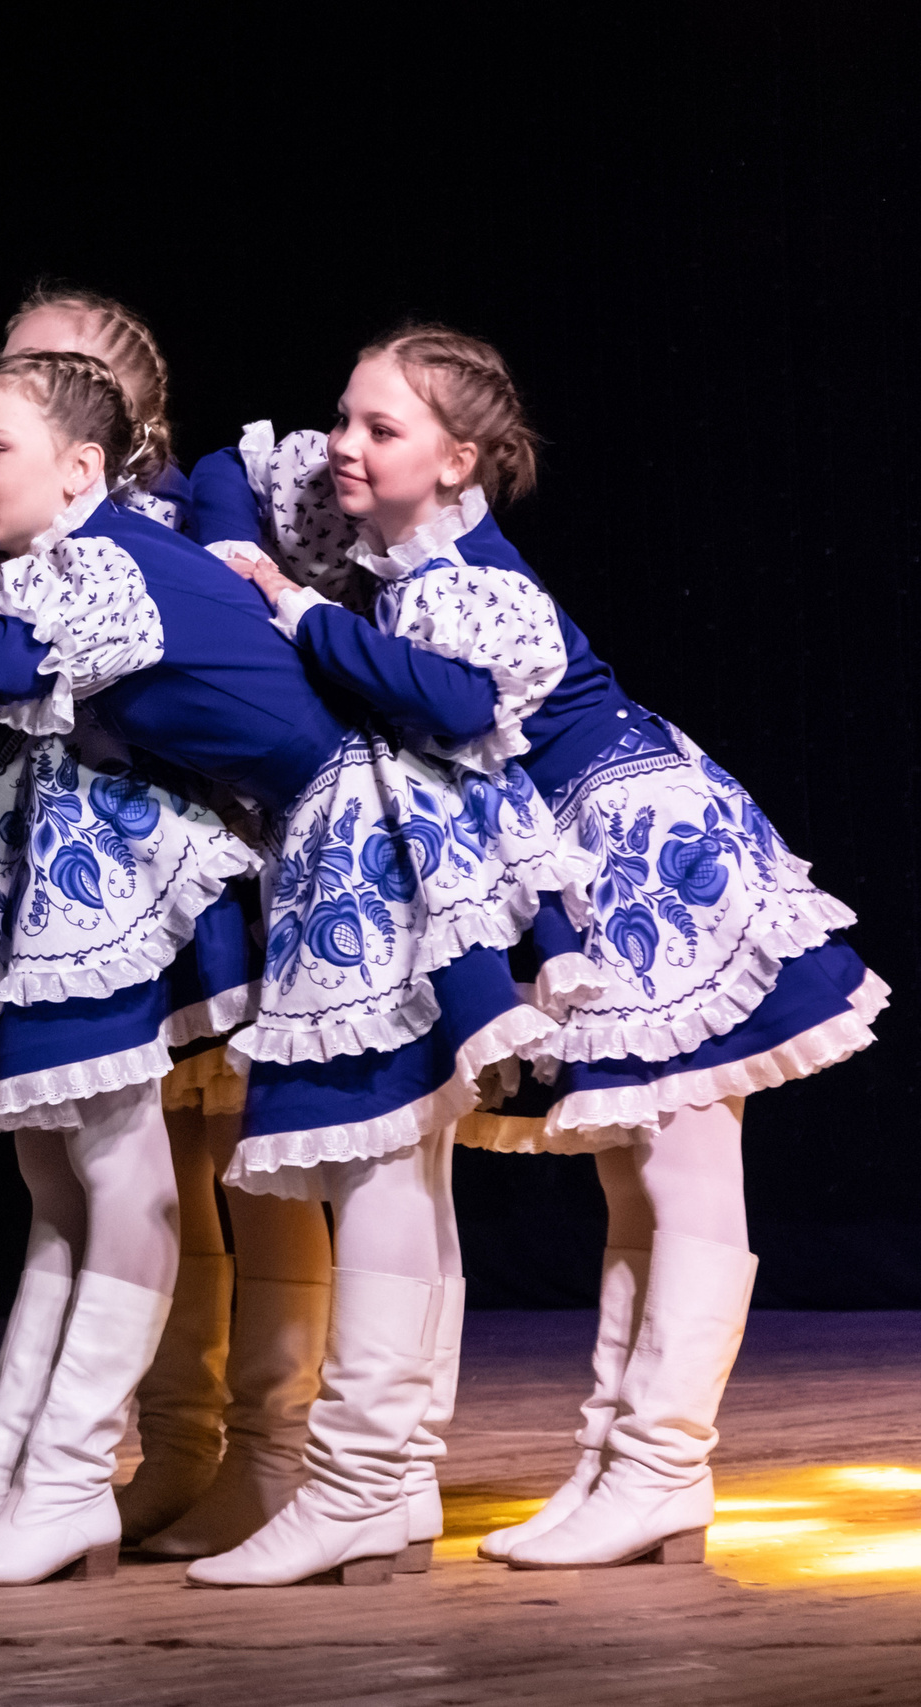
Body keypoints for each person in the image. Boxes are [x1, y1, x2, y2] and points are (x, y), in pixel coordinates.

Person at [0, 349, 552, 1588]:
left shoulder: (108, 558)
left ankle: (354, 1488)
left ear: (84, 467)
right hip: (337, 823)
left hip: (363, 827)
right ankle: (291, 1489)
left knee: (379, 1163)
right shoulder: (77, 563)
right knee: (385, 1169)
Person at [200, 325, 888, 1573]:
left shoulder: (472, 579)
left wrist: (293, 606)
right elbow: (237, 470)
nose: (345, 447)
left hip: (644, 849)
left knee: (679, 1165)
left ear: (460, 460)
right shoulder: (406, 557)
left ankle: (662, 1464)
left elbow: (454, 701)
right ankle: (624, 1467)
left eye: (381, 428)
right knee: (635, 1174)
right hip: (589, 851)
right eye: (344, 419)